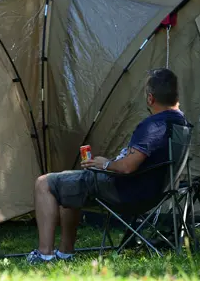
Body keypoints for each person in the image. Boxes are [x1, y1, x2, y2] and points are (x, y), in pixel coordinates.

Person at [27, 68, 187, 264]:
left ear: (151, 98)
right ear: (176, 98)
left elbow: (127, 167)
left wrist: (106, 164)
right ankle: (65, 253)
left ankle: (44, 255)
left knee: (44, 183)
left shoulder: (154, 125)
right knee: (68, 186)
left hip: (126, 192)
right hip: (155, 192)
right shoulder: (181, 123)